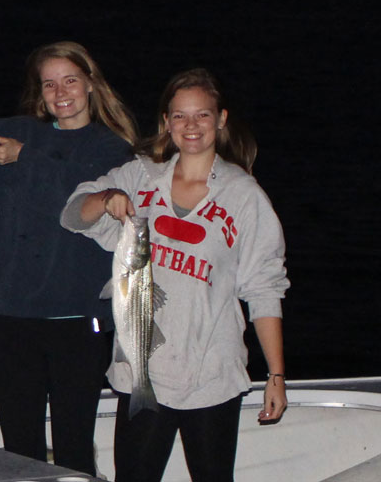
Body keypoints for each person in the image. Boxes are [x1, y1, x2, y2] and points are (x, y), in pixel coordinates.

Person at [60, 67, 289, 481]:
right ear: (166, 123)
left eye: (202, 115)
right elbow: (73, 215)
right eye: (180, 116)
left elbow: (265, 287)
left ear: (221, 120)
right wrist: (106, 197)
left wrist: (276, 374)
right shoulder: (140, 175)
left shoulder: (244, 196)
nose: (191, 126)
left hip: (212, 374)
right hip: (142, 370)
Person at [0, 41, 137, 475]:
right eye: (49, 84)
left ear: (91, 85)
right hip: (12, 319)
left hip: (79, 324)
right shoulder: (14, 127)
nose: (61, 93)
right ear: (38, 93)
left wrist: (25, 157)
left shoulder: (111, 150)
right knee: (20, 451)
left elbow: (77, 195)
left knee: (74, 444)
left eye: (71, 81)